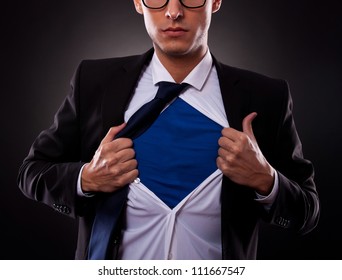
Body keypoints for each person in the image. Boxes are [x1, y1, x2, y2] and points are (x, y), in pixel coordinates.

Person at [18, 0, 319, 260]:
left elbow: (307, 211)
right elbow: (32, 172)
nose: (173, 12)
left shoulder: (266, 96)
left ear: (214, 2)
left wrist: (266, 180)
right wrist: (87, 178)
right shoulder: (94, 81)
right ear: (138, 3)